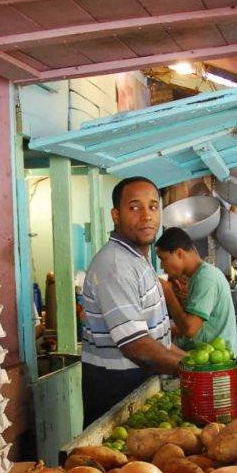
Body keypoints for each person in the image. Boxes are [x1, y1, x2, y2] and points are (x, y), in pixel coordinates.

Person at [80, 176, 185, 422]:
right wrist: (193, 369)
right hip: (116, 404)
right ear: (115, 215)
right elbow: (136, 345)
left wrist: (199, 363)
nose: (147, 216)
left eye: (153, 206)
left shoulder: (137, 259)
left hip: (138, 396)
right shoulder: (116, 266)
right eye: (135, 207)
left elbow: (157, 339)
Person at [154, 227, 237, 354]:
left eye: (163, 259)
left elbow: (190, 329)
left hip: (214, 360)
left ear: (179, 254)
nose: (161, 266)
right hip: (202, 354)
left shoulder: (206, 278)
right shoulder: (197, 277)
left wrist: (169, 295)